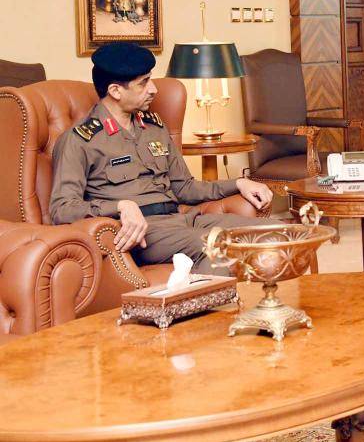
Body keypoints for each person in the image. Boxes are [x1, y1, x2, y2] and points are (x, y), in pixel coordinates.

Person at [49, 42, 274, 275]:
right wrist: (120, 206)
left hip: (183, 219)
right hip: (146, 233)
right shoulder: (80, 140)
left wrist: (239, 183)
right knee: (216, 248)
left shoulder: (153, 128)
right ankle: (211, 299)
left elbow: (184, 187)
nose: (154, 89)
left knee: (276, 232)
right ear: (115, 91)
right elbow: (61, 209)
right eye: (144, 82)